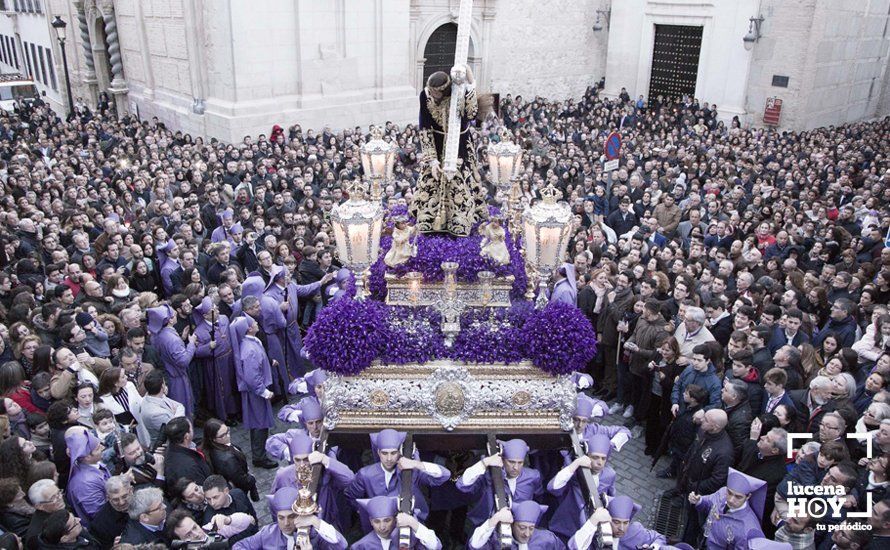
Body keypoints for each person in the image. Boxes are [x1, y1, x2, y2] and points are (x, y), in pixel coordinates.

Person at [411, 66, 488, 237]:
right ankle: (429, 219)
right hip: (436, 145)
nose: (433, 96)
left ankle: (460, 220)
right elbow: (424, 127)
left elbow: (471, 113)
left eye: (436, 93)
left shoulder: (459, 94)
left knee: (460, 182)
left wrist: (471, 84)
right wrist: (432, 160)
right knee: (432, 180)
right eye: (430, 91)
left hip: (459, 144)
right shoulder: (425, 95)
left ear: (444, 90)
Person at [345, 429, 450, 531]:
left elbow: (444, 475)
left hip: (410, 522)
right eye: (384, 453)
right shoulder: (365, 474)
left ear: (399, 451)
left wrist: (416, 464)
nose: (389, 458)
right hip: (380, 526)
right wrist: (365, 512)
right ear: (378, 452)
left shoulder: (411, 471)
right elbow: (350, 495)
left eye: (393, 453)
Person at [269, 430, 355, 533]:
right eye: (297, 460)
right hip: (294, 526)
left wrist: (325, 460)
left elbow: (350, 480)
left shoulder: (325, 472)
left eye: (306, 459)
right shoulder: (283, 476)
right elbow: (274, 504)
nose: (302, 465)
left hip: (323, 522)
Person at [456, 438, 544, 528]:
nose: (516, 467)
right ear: (502, 459)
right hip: (486, 525)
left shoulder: (533, 476)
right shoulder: (489, 475)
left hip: (520, 528)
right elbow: (462, 485)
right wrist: (484, 463)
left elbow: (538, 497)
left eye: (520, 463)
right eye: (511, 462)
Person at [547, 433, 617, 541]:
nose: (599, 463)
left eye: (603, 458)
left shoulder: (610, 474)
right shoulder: (577, 470)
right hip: (566, 521)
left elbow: (611, 497)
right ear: (587, 455)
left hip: (589, 527)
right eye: (595, 457)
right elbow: (552, 487)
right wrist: (575, 464)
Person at [229, 315, 277, 468]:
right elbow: (252, 377)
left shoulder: (249, 343)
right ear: (249, 328)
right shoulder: (249, 350)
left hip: (255, 390)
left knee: (259, 422)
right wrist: (263, 391)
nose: (257, 323)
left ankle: (259, 453)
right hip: (256, 392)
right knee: (259, 423)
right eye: (254, 323)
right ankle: (259, 457)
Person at [232, 486, 347, 549]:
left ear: (300, 515)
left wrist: (315, 521)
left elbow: (341, 545)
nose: (286, 523)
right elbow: (239, 546)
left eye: (291, 517)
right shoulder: (267, 533)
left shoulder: (314, 535)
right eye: (281, 518)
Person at [687, 469, 767, 549]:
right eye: (729, 493)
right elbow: (709, 503)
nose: (731, 500)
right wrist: (698, 500)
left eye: (738, 497)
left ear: (748, 497)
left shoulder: (749, 529)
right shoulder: (722, 493)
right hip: (701, 540)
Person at [192, 295, 239, 424]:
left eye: (216, 309)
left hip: (230, 357)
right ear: (206, 315)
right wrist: (208, 347)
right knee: (223, 389)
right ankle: (227, 414)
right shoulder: (200, 331)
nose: (217, 311)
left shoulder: (224, 319)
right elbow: (196, 352)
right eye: (214, 311)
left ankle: (237, 409)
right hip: (217, 363)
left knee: (233, 383)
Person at [146, 304, 197, 417]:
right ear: (169, 320)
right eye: (174, 315)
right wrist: (191, 344)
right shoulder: (172, 339)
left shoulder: (156, 334)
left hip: (168, 376)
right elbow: (183, 360)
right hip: (177, 378)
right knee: (182, 410)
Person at [568, 495, 666, 550]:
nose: (621, 528)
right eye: (616, 522)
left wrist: (653, 547)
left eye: (625, 523)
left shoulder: (636, 531)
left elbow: (660, 537)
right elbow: (573, 547)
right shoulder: (596, 531)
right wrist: (593, 521)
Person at [351, 495, 442, 550]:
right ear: (371, 521)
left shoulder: (408, 537)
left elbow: (435, 546)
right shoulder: (361, 546)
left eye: (387, 520)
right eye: (377, 522)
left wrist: (413, 523)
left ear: (395, 519)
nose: (382, 527)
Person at [468, 500, 565, 549]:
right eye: (522, 528)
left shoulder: (547, 539)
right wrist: (495, 519)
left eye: (531, 528)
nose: (527, 533)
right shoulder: (497, 539)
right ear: (512, 524)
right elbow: (474, 545)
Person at [202, 418, 258, 500]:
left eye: (227, 431)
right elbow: (241, 480)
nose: (228, 435)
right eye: (222, 435)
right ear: (213, 439)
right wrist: (251, 479)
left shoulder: (215, 446)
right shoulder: (227, 459)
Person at [65, 427, 110, 527]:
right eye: (98, 448)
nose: (103, 448)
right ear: (87, 456)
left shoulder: (92, 464)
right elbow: (100, 515)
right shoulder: (85, 484)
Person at [162, 417, 212, 496]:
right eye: (191, 428)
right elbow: (203, 491)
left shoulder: (172, 449)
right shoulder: (189, 467)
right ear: (186, 436)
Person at [89, 475, 132, 548]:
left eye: (124, 496)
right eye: (115, 499)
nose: (121, 502)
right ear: (108, 498)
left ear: (131, 490)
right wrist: (114, 547)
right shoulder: (100, 525)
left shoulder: (143, 499)